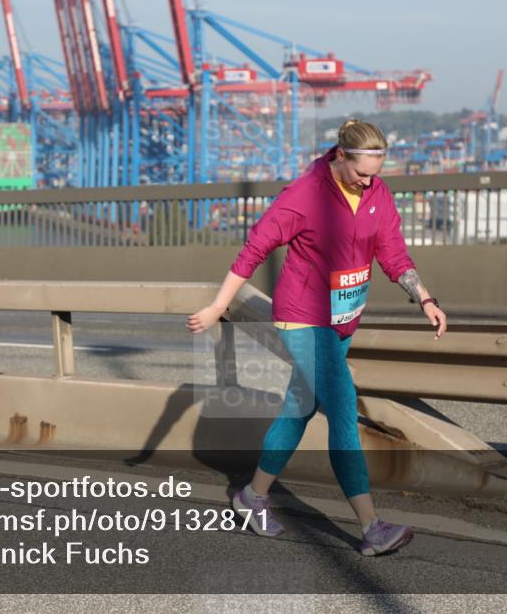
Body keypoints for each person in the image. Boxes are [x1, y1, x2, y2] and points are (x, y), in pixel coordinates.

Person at [186, 119, 447, 557]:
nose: (368, 182)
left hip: (343, 321)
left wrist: (425, 298)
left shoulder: (376, 193)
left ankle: (252, 496)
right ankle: (372, 527)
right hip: (304, 319)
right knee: (343, 410)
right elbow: (253, 251)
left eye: (375, 174)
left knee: (299, 407)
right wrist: (217, 307)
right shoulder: (304, 196)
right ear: (340, 155)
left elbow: (393, 252)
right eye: (361, 173)